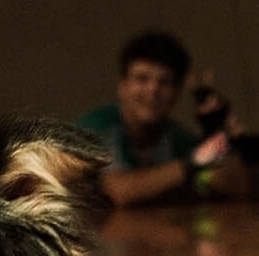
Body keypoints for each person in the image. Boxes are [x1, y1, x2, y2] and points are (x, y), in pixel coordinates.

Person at [77, 31, 249, 207]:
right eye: (142, 79)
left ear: (177, 92)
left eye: (165, 82)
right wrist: (193, 162)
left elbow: (235, 188)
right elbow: (121, 192)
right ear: (123, 86)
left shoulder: (176, 137)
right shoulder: (98, 127)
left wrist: (217, 135)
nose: (153, 90)